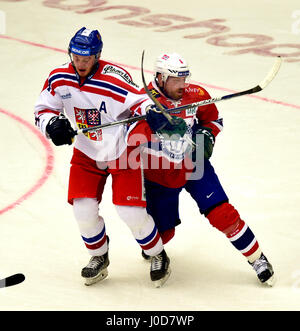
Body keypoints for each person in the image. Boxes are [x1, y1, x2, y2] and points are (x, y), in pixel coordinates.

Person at [34, 27, 171, 288]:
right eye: (76, 57)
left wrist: (152, 111)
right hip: (87, 152)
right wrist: (52, 124)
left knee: (130, 213)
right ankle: (99, 257)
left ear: (97, 56)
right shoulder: (59, 77)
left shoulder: (113, 78)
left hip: (121, 151)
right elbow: (43, 109)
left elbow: (141, 102)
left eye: (86, 58)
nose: (80, 63)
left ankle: (157, 254)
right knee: (83, 211)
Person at [127, 52, 275, 286]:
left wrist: (207, 136)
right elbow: (129, 134)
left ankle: (257, 259)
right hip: (159, 172)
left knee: (223, 213)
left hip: (193, 163)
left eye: (184, 79)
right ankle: (157, 251)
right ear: (160, 77)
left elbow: (213, 120)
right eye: (176, 80)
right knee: (163, 234)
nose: (182, 85)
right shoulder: (141, 100)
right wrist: (149, 124)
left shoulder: (196, 95)